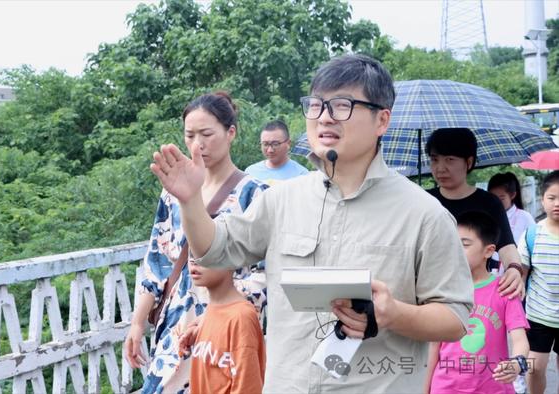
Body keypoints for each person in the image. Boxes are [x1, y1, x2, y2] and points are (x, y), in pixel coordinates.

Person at [150, 54, 474, 393]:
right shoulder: (281, 199)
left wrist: (395, 314)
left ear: (382, 120)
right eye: (316, 105)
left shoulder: (424, 214)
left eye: (342, 106)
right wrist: (190, 202)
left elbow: (455, 317)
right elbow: (215, 250)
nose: (324, 118)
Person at [124, 92, 267, 394]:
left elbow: (264, 275)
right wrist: (137, 322)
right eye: (190, 135)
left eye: (207, 134)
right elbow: (158, 259)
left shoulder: (256, 195)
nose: (197, 144)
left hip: (223, 329)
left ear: (231, 133)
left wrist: (219, 316)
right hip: (175, 323)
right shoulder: (173, 191)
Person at [426, 210, 530, 394]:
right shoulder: (443, 289)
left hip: (493, 387)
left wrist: (517, 363)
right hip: (445, 387)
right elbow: (433, 346)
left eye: (464, 245)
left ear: (489, 251)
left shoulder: (504, 289)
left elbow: (520, 340)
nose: (455, 251)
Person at [425, 128, 526, 299]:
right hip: (431, 292)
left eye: (449, 159)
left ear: (469, 162)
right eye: (434, 160)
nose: (440, 168)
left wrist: (514, 269)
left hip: (476, 294)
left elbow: (507, 246)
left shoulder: (489, 202)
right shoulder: (424, 200)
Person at [183, 259, 266, 393]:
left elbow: (248, 388)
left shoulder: (241, 318)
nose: (193, 260)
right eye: (192, 252)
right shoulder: (211, 310)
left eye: (204, 251)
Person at [518, 170, 559, 394]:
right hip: (538, 314)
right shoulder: (532, 234)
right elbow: (521, 272)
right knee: (535, 368)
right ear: (542, 199)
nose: (557, 204)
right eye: (552, 198)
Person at [245, 120, 309, 184]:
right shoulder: (250, 173)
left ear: (288, 144)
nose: (270, 150)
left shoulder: (302, 175)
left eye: (275, 144)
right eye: (265, 144)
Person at [488, 172, 535, 242]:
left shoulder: (525, 217)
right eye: (492, 198)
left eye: (501, 198)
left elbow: (534, 242)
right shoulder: (487, 217)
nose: (496, 202)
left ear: (512, 195)